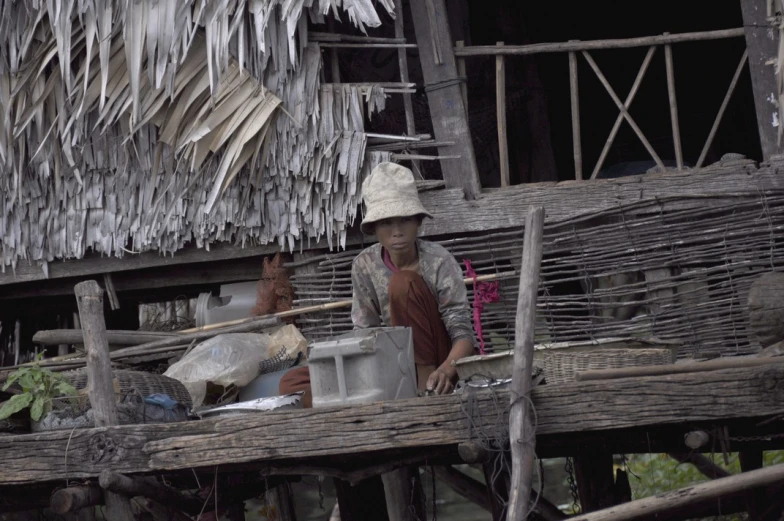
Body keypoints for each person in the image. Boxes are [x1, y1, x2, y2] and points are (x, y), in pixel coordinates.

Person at [279, 162, 476, 405]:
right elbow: (365, 332)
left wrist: (446, 370)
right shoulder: (365, 265)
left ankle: (425, 393)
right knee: (294, 383)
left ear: (418, 222)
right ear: (374, 229)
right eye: (386, 223)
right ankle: (385, 395)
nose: (397, 231)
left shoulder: (439, 261)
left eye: (404, 220)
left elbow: (463, 334)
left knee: (404, 283)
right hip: (392, 360)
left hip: (440, 363)